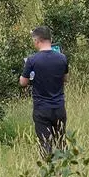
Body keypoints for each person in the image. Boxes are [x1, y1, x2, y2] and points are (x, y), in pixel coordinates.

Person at [20, 26, 69, 156]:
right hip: (59, 107)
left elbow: (23, 82)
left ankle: (48, 171)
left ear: (37, 41)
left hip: (42, 108)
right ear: (51, 39)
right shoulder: (62, 58)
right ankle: (63, 171)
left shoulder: (32, 60)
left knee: (45, 143)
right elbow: (65, 78)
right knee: (61, 141)